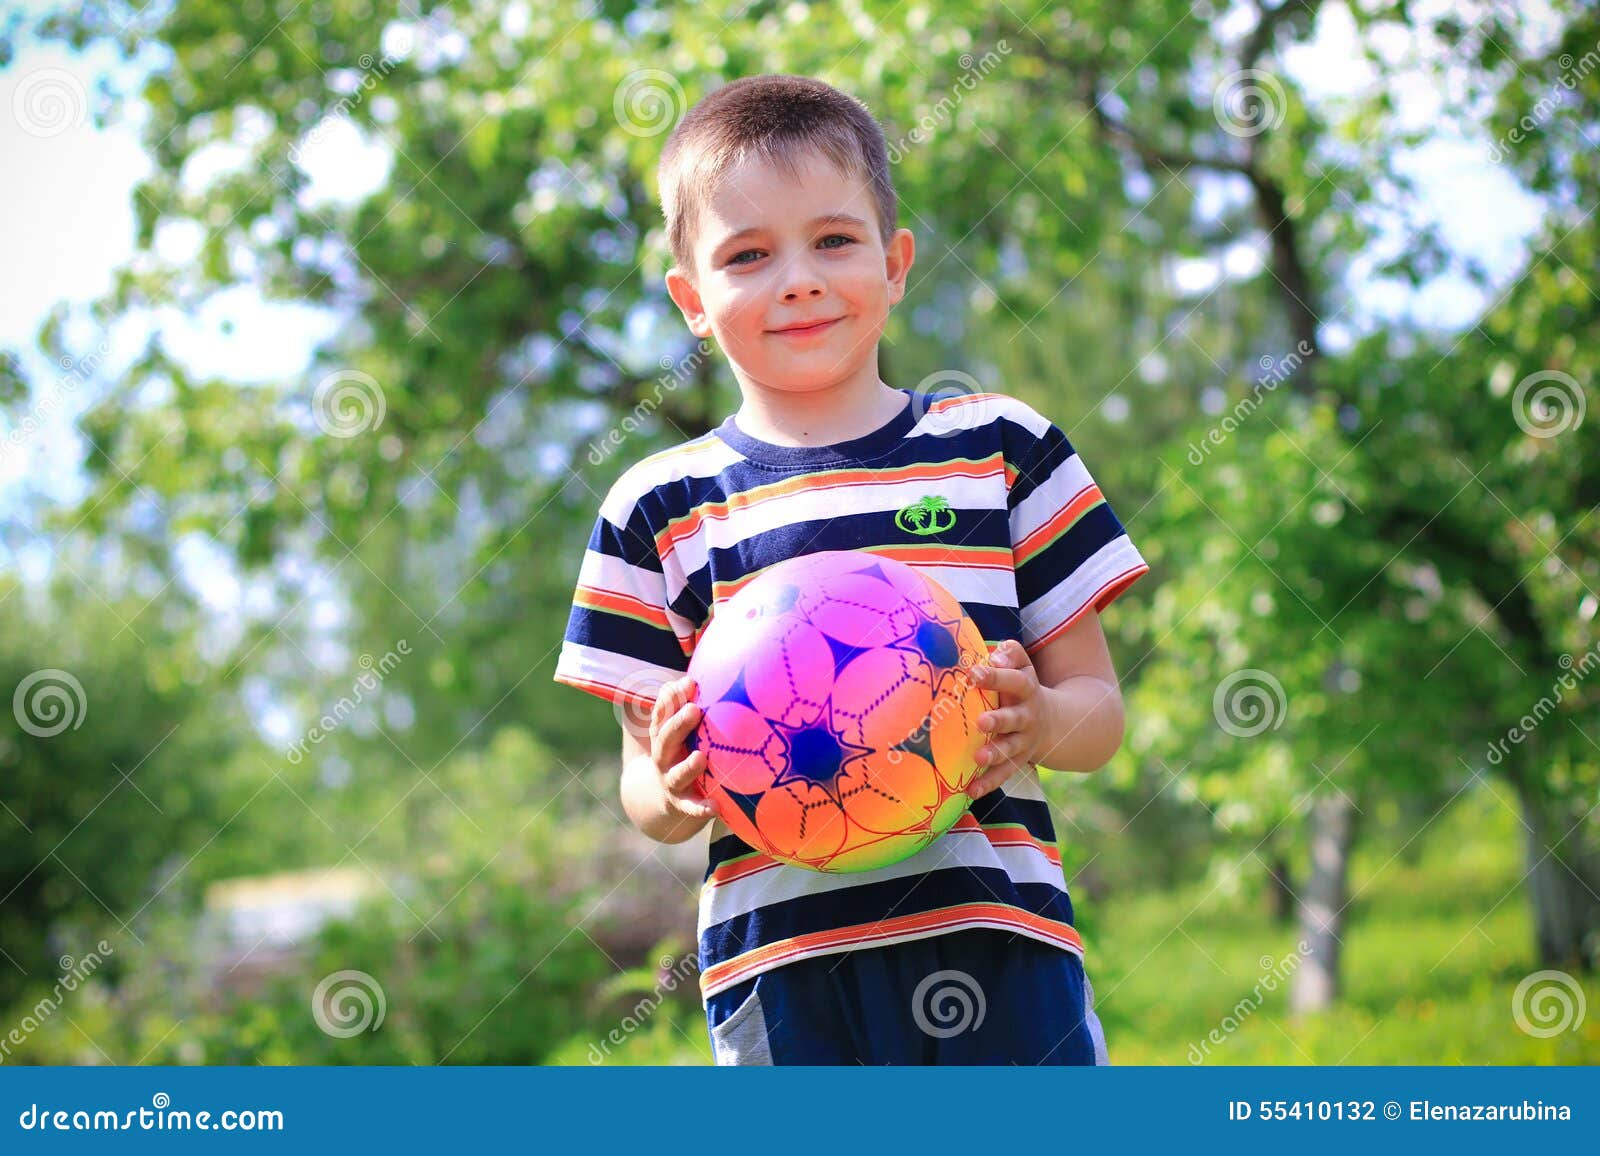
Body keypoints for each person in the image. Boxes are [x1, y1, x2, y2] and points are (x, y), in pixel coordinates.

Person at [553, 74, 1150, 1065]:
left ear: (895, 262)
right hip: (787, 974)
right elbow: (645, 796)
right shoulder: (659, 509)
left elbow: (1098, 713)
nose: (798, 279)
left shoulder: (1001, 452)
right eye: (748, 255)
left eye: (834, 239)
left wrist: (1040, 720)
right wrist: (674, 783)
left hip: (997, 938)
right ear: (691, 300)